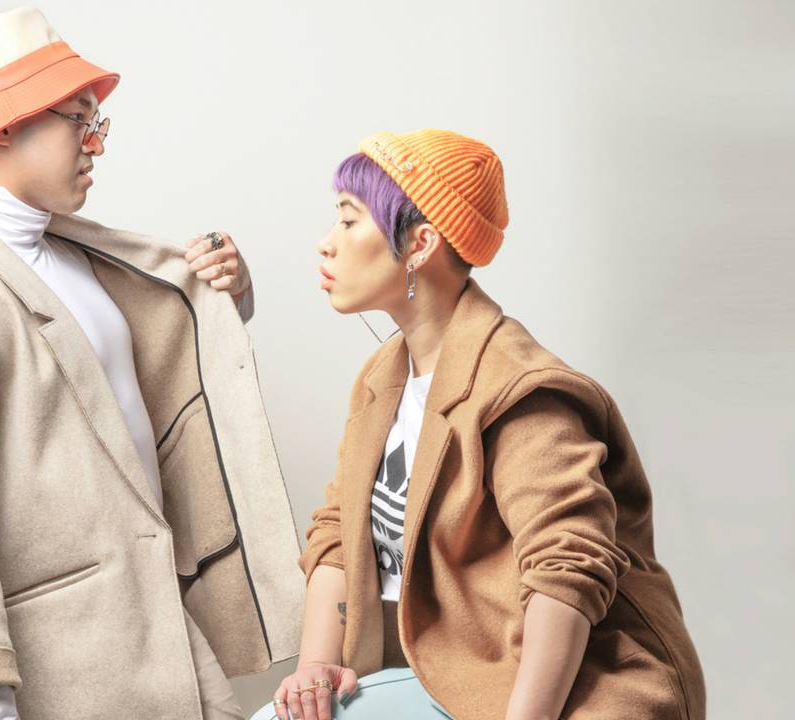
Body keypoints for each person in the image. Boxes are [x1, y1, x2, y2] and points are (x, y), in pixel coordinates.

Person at [0, 8, 304, 719]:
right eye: (78, 120)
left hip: (168, 649)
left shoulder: (69, 257)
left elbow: (123, 395)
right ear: (4, 126)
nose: (96, 143)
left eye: (98, 123)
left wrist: (225, 301)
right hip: (74, 684)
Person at [263, 129, 705, 720]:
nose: (326, 242)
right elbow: (339, 532)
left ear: (419, 243)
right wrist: (317, 667)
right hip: (439, 672)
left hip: (545, 690)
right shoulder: (382, 376)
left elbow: (565, 568)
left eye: (349, 220)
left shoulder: (520, 391)